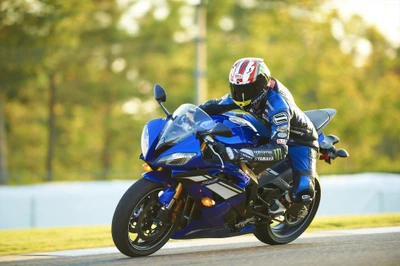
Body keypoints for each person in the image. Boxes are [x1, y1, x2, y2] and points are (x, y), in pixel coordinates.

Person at [198, 57, 319, 215]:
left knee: (304, 191)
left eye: (247, 90)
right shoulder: (245, 96)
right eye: (236, 89)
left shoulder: (278, 107)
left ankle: (285, 201)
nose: (241, 96)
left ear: (262, 85)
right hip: (263, 125)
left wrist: (235, 153)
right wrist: (184, 117)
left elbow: (279, 150)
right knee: (222, 119)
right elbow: (211, 107)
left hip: (298, 141)